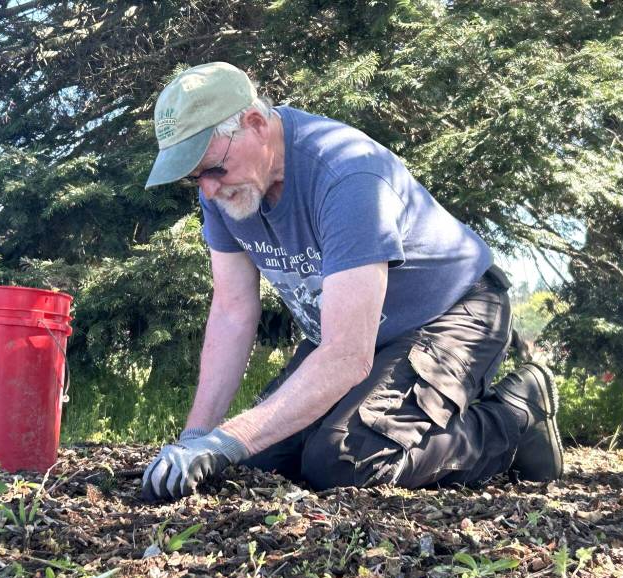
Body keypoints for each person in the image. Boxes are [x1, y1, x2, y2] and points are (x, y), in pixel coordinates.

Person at [139, 62, 563, 502]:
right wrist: (198, 437)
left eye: (215, 170)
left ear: (256, 124)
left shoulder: (346, 176)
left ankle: (515, 417)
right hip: (363, 329)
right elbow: (231, 310)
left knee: (345, 459)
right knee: (258, 457)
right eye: (195, 177)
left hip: (453, 313)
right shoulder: (228, 191)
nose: (207, 191)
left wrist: (226, 439)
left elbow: (346, 355)